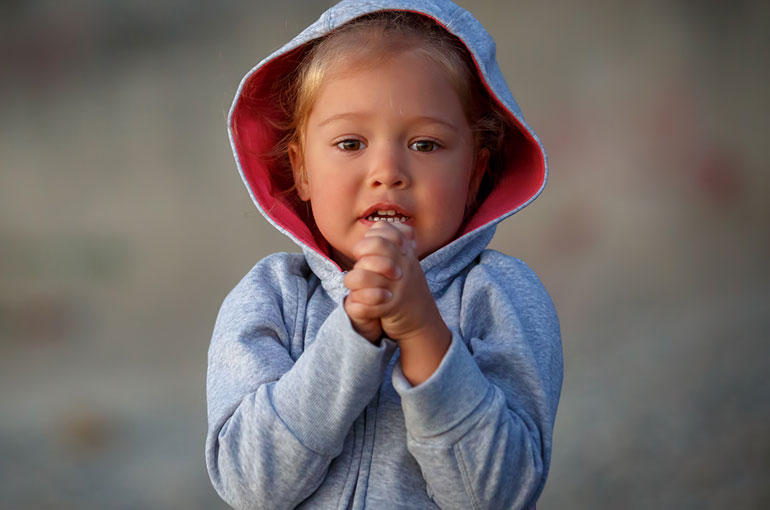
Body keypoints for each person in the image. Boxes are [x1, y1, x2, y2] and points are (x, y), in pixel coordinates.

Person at [205, 1, 563, 509]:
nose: (388, 172)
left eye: (425, 144)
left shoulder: (498, 295)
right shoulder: (271, 297)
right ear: (301, 169)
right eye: (351, 143)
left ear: (475, 174)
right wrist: (351, 336)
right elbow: (250, 486)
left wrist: (424, 334)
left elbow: (498, 496)